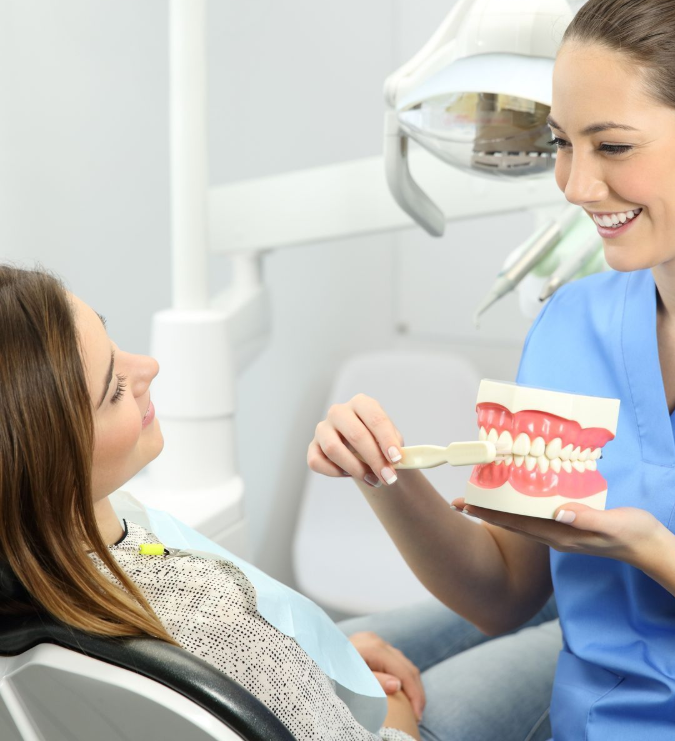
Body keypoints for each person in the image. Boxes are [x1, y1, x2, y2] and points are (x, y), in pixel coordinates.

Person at [309, 0, 675, 740]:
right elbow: (504, 592)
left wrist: (659, 555)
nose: (575, 184)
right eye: (562, 144)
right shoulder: (572, 324)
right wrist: (388, 477)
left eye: (613, 146)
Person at [0, 264, 423, 741]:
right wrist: (396, 705)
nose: (147, 368)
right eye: (115, 388)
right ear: (49, 466)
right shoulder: (210, 616)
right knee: (525, 636)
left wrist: (306, 667)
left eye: (112, 344)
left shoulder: (30, 587)